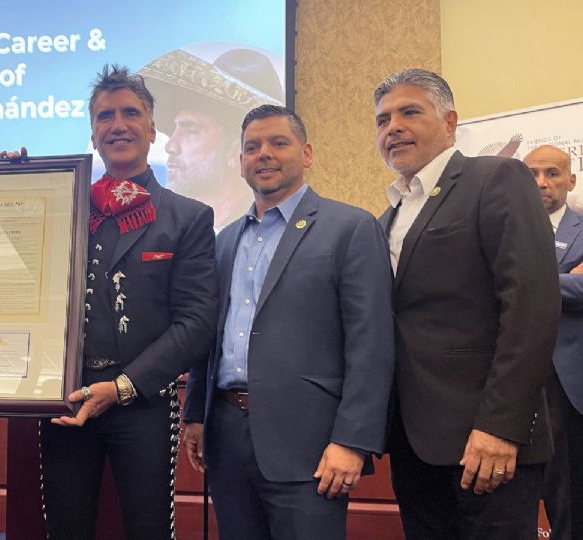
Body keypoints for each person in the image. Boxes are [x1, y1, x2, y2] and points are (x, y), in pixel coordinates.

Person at [182, 104, 394, 539]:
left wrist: (352, 441)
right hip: (226, 438)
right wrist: (196, 414)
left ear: (307, 153)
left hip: (311, 445)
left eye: (279, 143)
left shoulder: (350, 228)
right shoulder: (224, 241)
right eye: (252, 147)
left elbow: (372, 344)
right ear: (240, 162)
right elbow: (211, 336)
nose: (264, 154)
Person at [375, 68, 561, 539]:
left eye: (409, 112)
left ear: (450, 121)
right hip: (414, 444)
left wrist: (502, 426)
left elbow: (531, 306)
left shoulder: (495, 177)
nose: (392, 126)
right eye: (382, 119)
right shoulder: (386, 216)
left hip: (488, 443)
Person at [35, 64, 217, 540]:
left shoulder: (188, 217)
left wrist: (121, 386)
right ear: (93, 134)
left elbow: (197, 322)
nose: (118, 124)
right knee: (66, 529)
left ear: (152, 129)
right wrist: (16, 183)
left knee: (149, 530)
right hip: (65, 398)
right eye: (104, 116)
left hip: (144, 402)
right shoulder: (62, 206)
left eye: (130, 113)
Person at [138, 48, 284, 227]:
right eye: (175, 129)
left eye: (191, 130)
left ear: (234, 151)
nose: (171, 146)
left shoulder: (265, 234)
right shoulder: (168, 229)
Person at [524, 144, 583, 540]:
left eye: (552, 173)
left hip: (565, 379)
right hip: (510, 375)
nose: (541, 183)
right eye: (531, 174)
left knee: (568, 491)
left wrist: (518, 284)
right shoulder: (500, 226)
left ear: (571, 180)